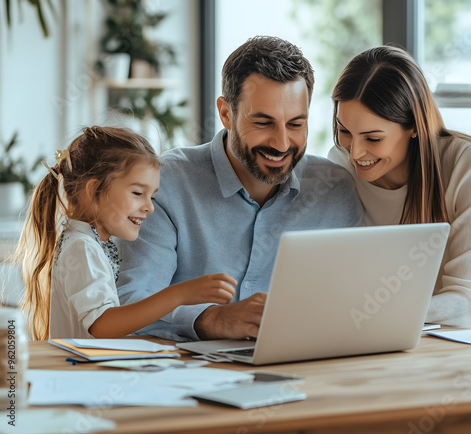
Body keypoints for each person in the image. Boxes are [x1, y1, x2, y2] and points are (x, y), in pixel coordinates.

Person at [117, 35, 363, 342]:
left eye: (296, 124)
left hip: (307, 368)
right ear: (226, 113)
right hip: (189, 377)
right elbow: (130, 302)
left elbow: (357, 300)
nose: (282, 143)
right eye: (263, 122)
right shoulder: (166, 184)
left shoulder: (335, 188)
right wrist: (209, 320)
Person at [328, 45, 471, 328]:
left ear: (415, 127)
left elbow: (463, 303)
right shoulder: (339, 166)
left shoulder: (470, 164)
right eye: (345, 131)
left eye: (373, 138)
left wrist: (369, 313)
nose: (355, 152)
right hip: (398, 322)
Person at [19, 126, 237, 340]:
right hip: (83, 373)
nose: (149, 207)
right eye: (138, 193)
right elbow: (103, 325)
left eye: (151, 196)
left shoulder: (90, 243)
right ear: (94, 190)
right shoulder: (82, 247)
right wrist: (179, 294)